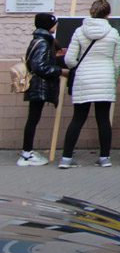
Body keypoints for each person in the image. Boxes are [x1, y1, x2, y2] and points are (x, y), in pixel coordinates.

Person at [59, 0, 120, 169]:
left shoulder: (79, 32)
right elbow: (117, 63)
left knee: (78, 118)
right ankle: (105, 158)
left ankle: (65, 158)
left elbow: (70, 60)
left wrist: (80, 66)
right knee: (103, 119)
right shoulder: (113, 33)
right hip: (105, 78)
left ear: (91, 12)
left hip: (83, 79)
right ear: (108, 14)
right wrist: (113, 79)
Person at [17, 13, 65, 166]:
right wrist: (60, 70)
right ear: (49, 25)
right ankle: (26, 154)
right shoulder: (43, 42)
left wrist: (56, 56)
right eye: (54, 23)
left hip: (37, 86)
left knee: (33, 118)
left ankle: (27, 152)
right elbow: (40, 66)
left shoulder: (41, 40)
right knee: (33, 118)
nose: (56, 26)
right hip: (39, 86)